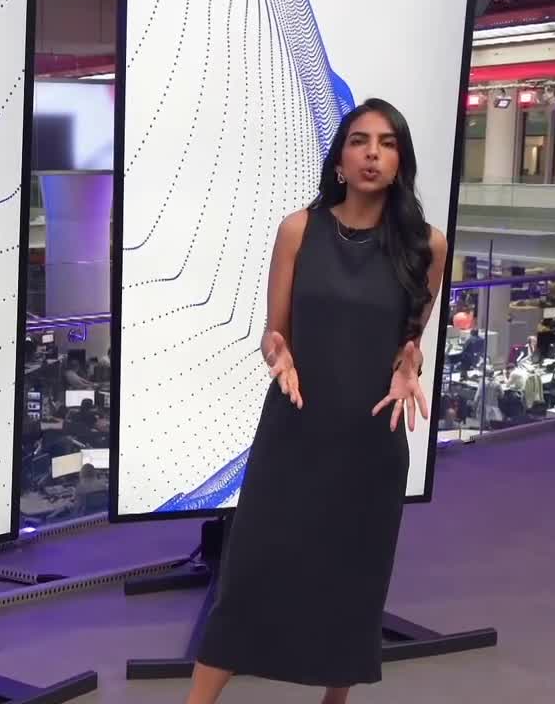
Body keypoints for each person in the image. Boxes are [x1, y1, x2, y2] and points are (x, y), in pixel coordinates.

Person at [185, 98, 448, 704]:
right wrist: (279, 357)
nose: (372, 153)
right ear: (340, 157)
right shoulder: (299, 229)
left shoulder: (428, 246)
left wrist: (413, 366)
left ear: (401, 160)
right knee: (251, 573)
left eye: (386, 142)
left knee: (351, 582)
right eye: (360, 141)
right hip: (295, 432)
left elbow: (410, 341)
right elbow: (273, 337)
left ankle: (336, 700)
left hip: (370, 442)